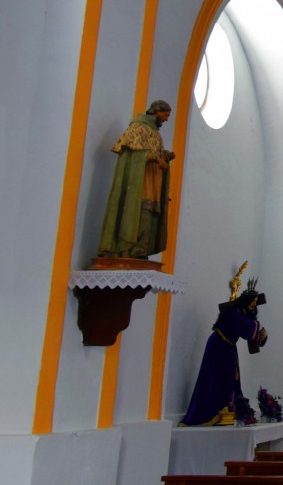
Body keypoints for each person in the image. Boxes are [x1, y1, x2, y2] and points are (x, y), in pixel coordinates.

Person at [181, 283, 268, 426]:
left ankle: (231, 409)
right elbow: (247, 328)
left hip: (228, 347)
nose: (252, 307)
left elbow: (251, 333)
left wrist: (263, 336)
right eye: (251, 304)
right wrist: (258, 329)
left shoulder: (240, 314)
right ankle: (216, 411)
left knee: (230, 378)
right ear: (245, 302)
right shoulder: (232, 312)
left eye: (254, 305)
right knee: (216, 378)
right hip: (218, 346)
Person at [97, 100, 175, 259]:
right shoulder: (137, 128)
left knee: (150, 215)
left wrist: (164, 156)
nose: (166, 119)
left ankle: (140, 251)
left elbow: (154, 153)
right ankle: (127, 249)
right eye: (165, 115)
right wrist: (153, 157)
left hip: (152, 182)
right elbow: (133, 154)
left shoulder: (156, 134)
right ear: (156, 111)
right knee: (138, 213)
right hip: (138, 183)